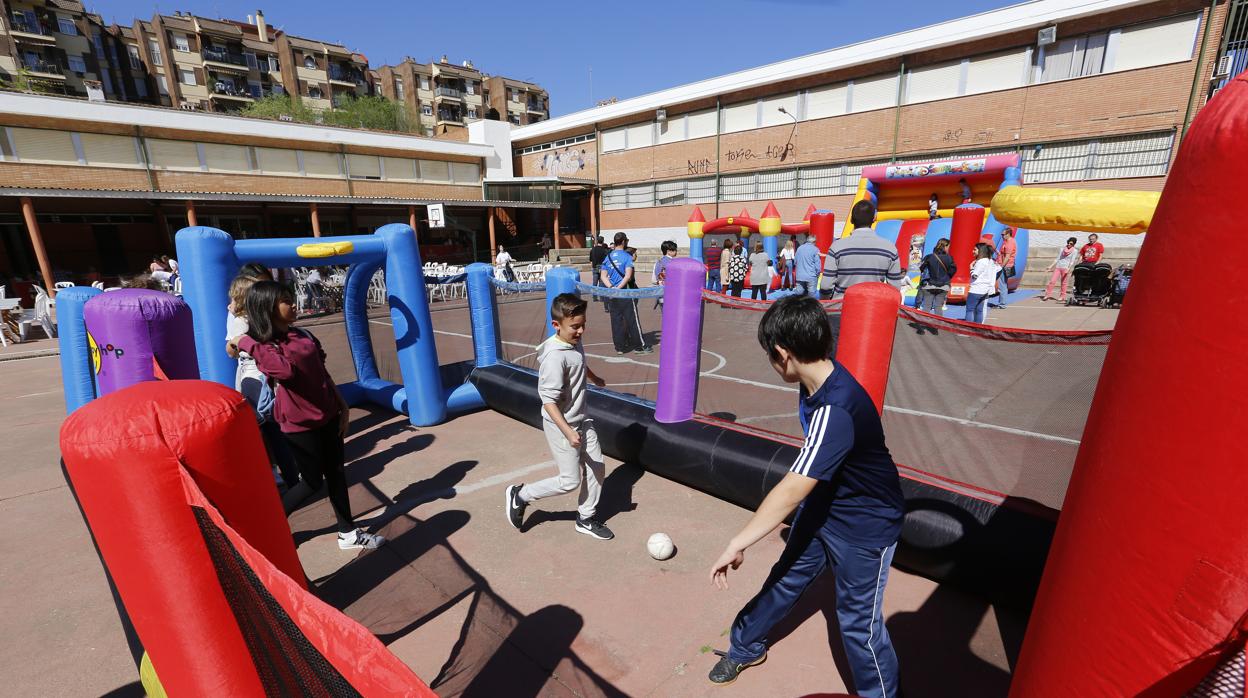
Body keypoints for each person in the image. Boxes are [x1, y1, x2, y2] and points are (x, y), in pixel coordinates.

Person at [708, 296, 903, 695]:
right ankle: (746, 645)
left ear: (783, 353)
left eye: (770, 355)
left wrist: (737, 542)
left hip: (865, 524)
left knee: (857, 623)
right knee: (785, 577)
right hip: (826, 506)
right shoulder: (813, 381)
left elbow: (794, 486)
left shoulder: (836, 407)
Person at [230, 281, 384, 551]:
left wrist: (342, 405)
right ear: (268, 308)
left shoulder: (302, 334)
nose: (293, 304)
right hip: (298, 426)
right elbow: (284, 372)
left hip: (328, 415)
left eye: (291, 298)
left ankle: (347, 533)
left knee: (336, 474)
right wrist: (245, 341)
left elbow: (321, 372)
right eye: (285, 301)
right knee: (311, 482)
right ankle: (267, 525)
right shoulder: (265, 346)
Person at [504, 293, 613, 540]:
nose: (581, 331)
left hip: (581, 419)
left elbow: (579, 362)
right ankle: (521, 495)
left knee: (597, 469)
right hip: (561, 424)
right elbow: (549, 402)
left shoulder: (573, 341)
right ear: (557, 325)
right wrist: (568, 432)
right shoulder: (555, 357)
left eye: (583, 325)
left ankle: (585, 518)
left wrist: (594, 378)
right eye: (575, 326)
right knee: (569, 481)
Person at [224, 270, 298, 490]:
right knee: (269, 425)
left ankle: (286, 471)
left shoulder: (250, 316)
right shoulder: (243, 319)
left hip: (259, 375)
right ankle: (281, 472)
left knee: (271, 425)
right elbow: (231, 349)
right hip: (256, 377)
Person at [823, 201, 904, 298]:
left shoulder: (836, 247)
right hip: (874, 308)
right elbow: (894, 289)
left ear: (851, 220)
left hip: (842, 309)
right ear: (874, 218)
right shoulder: (890, 248)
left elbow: (825, 286)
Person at [600, 232, 652, 355]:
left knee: (616, 320)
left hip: (612, 293)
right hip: (625, 292)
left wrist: (612, 287)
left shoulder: (608, 257)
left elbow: (603, 276)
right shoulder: (627, 256)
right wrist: (619, 288)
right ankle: (639, 346)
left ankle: (619, 347)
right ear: (623, 242)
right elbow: (628, 276)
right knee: (632, 319)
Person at [917, 238, 956, 314]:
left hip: (929, 284)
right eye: (948, 247)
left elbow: (921, 268)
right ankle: (938, 325)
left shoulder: (929, 257)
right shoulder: (949, 258)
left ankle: (923, 324)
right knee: (938, 307)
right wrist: (946, 277)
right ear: (945, 246)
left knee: (927, 306)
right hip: (944, 285)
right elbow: (953, 270)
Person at [965, 242, 999, 323]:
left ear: (980, 251)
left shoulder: (981, 262)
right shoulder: (989, 261)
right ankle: (978, 328)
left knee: (970, 310)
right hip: (985, 289)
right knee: (979, 311)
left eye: (975, 249)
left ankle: (968, 328)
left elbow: (975, 275)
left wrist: (971, 268)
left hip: (976, 289)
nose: (973, 251)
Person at [1042, 237, 1080, 302]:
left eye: (1071, 243)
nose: (1069, 244)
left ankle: (1062, 296)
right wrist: (1050, 266)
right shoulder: (1062, 249)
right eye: (1068, 242)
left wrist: (1068, 268)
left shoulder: (1075, 251)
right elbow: (1057, 258)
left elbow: (1072, 261)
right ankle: (1047, 295)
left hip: (1065, 268)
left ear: (1073, 244)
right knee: (1052, 281)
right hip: (1058, 267)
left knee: (1064, 283)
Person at [992, 229, 1017, 309]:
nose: (1002, 236)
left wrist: (1001, 266)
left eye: (1003, 234)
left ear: (1008, 234)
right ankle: (1002, 303)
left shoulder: (1009, 243)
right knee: (1003, 284)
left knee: (1002, 285)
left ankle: (1002, 304)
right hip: (1004, 264)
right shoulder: (1007, 241)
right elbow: (1003, 254)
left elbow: (1007, 257)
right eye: (1001, 234)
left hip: (1005, 266)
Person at [653, 240, 678, 309]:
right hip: (672, 293)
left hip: (661, 293)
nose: (676, 251)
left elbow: (654, 279)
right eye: (674, 250)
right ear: (668, 251)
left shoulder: (658, 262)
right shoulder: (674, 263)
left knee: (665, 317)